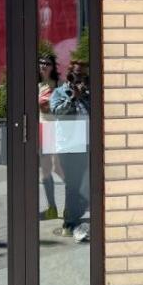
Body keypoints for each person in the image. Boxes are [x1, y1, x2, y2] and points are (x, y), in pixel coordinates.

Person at [50, 32, 90, 240]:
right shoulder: (60, 93)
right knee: (72, 184)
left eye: (83, 76)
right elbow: (58, 112)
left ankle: (77, 216)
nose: (79, 79)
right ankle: (70, 222)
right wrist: (74, 97)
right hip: (69, 146)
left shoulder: (89, 93)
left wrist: (85, 94)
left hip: (87, 144)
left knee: (85, 184)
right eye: (75, 74)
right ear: (68, 74)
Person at [38, 44, 61, 221]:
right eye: (41, 63)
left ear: (53, 67)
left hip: (55, 129)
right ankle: (52, 207)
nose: (43, 66)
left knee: (58, 168)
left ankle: (77, 199)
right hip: (41, 129)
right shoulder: (37, 85)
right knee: (45, 171)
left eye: (47, 63)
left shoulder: (58, 85)